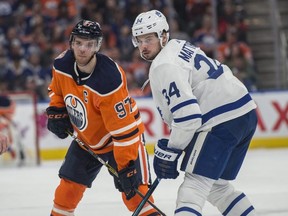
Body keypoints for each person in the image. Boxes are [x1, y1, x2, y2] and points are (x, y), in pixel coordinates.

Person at [132, 10, 258, 216]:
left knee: (193, 189)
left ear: (163, 36)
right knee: (217, 187)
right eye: (139, 40)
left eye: (149, 39)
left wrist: (171, 151)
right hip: (244, 113)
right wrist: (174, 149)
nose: (143, 46)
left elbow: (189, 116)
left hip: (221, 119)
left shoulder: (163, 64)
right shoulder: (178, 45)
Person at [46, 20, 160, 216]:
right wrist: (57, 109)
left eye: (89, 44)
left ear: (97, 46)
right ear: (71, 42)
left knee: (137, 198)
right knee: (65, 195)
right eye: (79, 43)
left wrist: (126, 167)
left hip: (121, 143)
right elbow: (56, 91)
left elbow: (124, 131)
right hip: (86, 141)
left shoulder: (109, 79)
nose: (83, 49)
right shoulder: (61, 64)